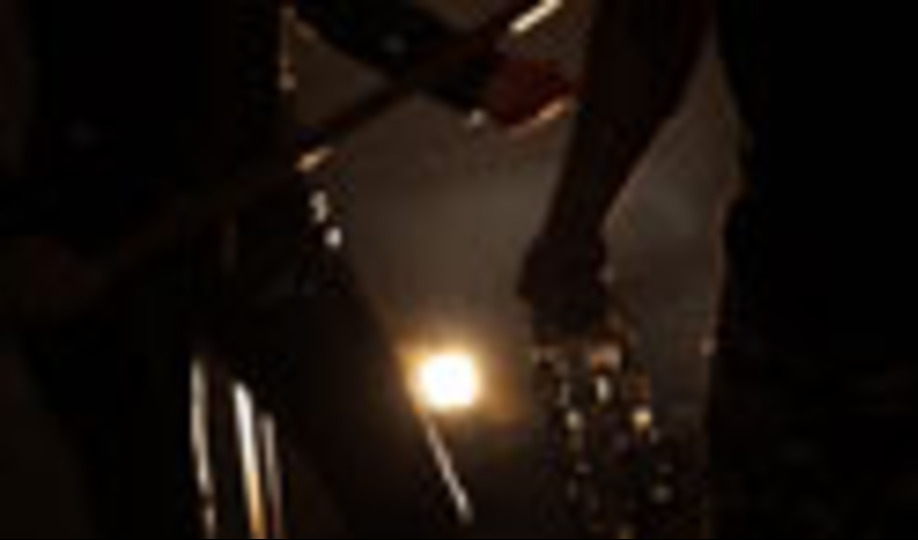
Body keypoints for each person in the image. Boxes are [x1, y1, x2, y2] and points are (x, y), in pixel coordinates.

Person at [0, 0, 571, 536]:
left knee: (404, 496)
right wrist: (17, 236)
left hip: (260, 224)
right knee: (149, 509)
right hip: (91, 237)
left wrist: (477, 78)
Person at [518, 0, 918, 536]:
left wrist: (572, 229)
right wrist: (572, 228)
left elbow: (650, 35)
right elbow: (649, 35)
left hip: (816, 287)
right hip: (815, 278)